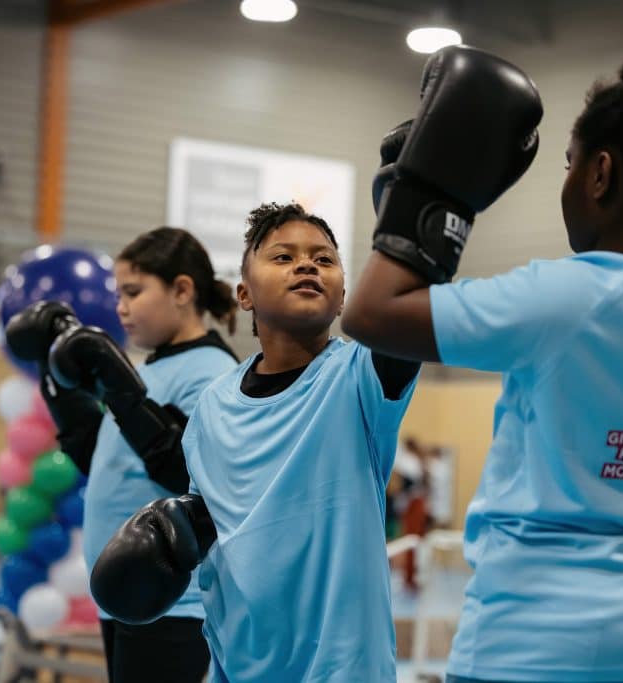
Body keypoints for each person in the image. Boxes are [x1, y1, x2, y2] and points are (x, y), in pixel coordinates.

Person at [342, 46, 623, 683]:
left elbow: (370, 314)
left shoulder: (565, 297)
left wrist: (426, 197)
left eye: (570, 164)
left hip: (534, 639)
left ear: (600, 174)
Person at [90, 202, 421, 682]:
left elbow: (404, 310)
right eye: (284, 257)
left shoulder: (359, 378)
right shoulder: (213, 405)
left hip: (341, 669)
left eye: (324, 259)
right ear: (244, 294)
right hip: (239, 665)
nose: (307, 265)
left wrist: (407, 217)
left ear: (343, 297)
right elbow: (214, 527)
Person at [5, 227, 237, 683]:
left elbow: (185, 474)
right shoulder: (152, 368)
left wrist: (120, 388)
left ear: (182, 291)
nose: (121, 308)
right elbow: (99, 459)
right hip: (125, 593)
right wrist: (53, 375)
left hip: (173, 600)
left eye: (133, 292)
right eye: (119, 295)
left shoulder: (212, 372)